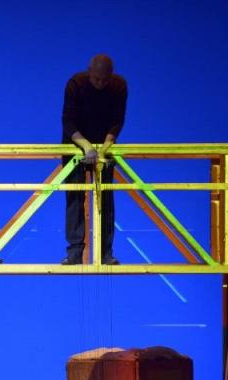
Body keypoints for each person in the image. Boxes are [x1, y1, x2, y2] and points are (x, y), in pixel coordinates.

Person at [61, 54, 127, 265]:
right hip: (75, 144)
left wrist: (103, 150)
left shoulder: (118, 86)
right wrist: (86, 147)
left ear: (111, 76)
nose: (100, 83)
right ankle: (75, 253)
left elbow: (117, 122)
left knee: (105, 198)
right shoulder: (76, 84)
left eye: (104, 80)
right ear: (89, 72)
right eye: (96, 79)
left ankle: (105, 253)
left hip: (103, 146)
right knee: (74, 197)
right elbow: (68, 121)